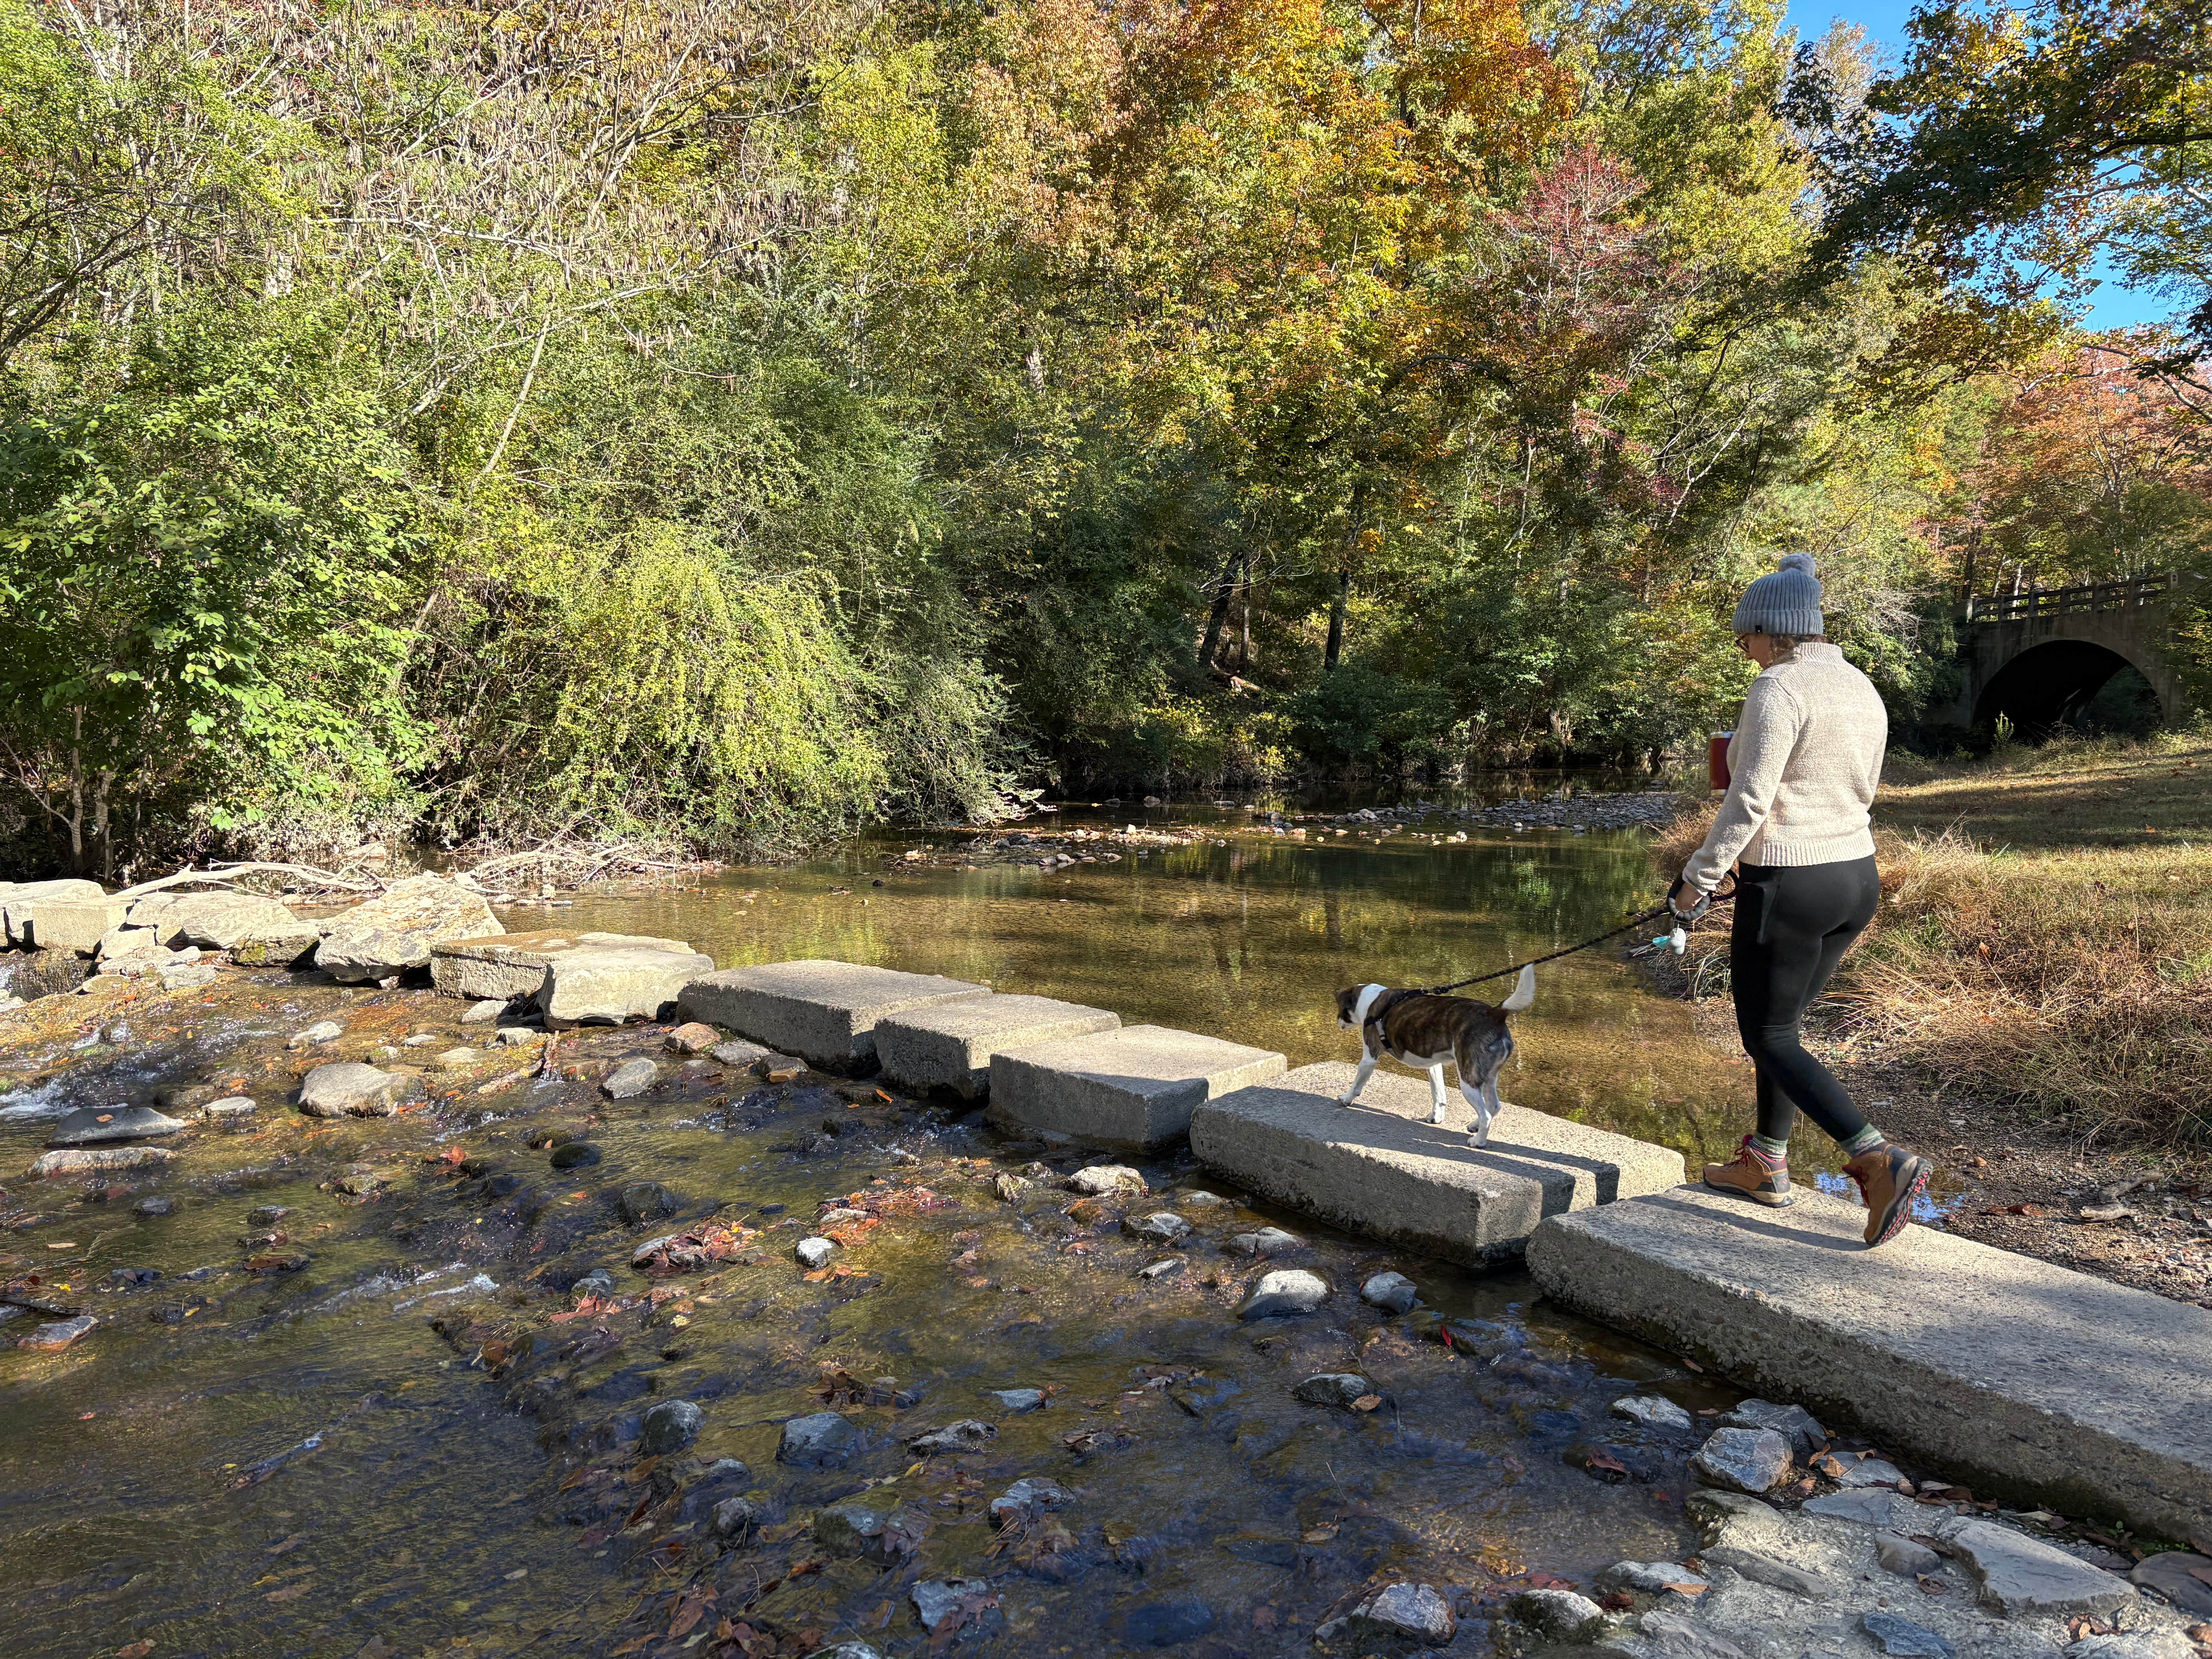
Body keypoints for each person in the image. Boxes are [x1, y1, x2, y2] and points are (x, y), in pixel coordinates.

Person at [1670, 551, 1930, 1249]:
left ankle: (1879, 1160)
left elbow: (1749, 798)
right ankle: (1765, 1162)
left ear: (1772, 631)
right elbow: (1860, 783)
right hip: (1855, 878)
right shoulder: (1858, 684)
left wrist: (1698, 878)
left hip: (1791, 882)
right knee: (1783, 1028)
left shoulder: (1778, 688)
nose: (1742, 649)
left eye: (1744, 635)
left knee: (1768, 1034)